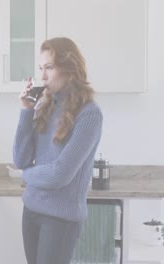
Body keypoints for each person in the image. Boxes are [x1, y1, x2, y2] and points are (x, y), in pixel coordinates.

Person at [13, 37, 103, 264]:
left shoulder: (90, 114)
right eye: (41, 68)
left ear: (69, 68)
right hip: (31, 210)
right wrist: (26, 111)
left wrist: (24, 176)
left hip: (60, 219)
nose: (42, 76)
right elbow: (21, 159)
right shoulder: (45, 105)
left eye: (49, 68)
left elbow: (60, 174)